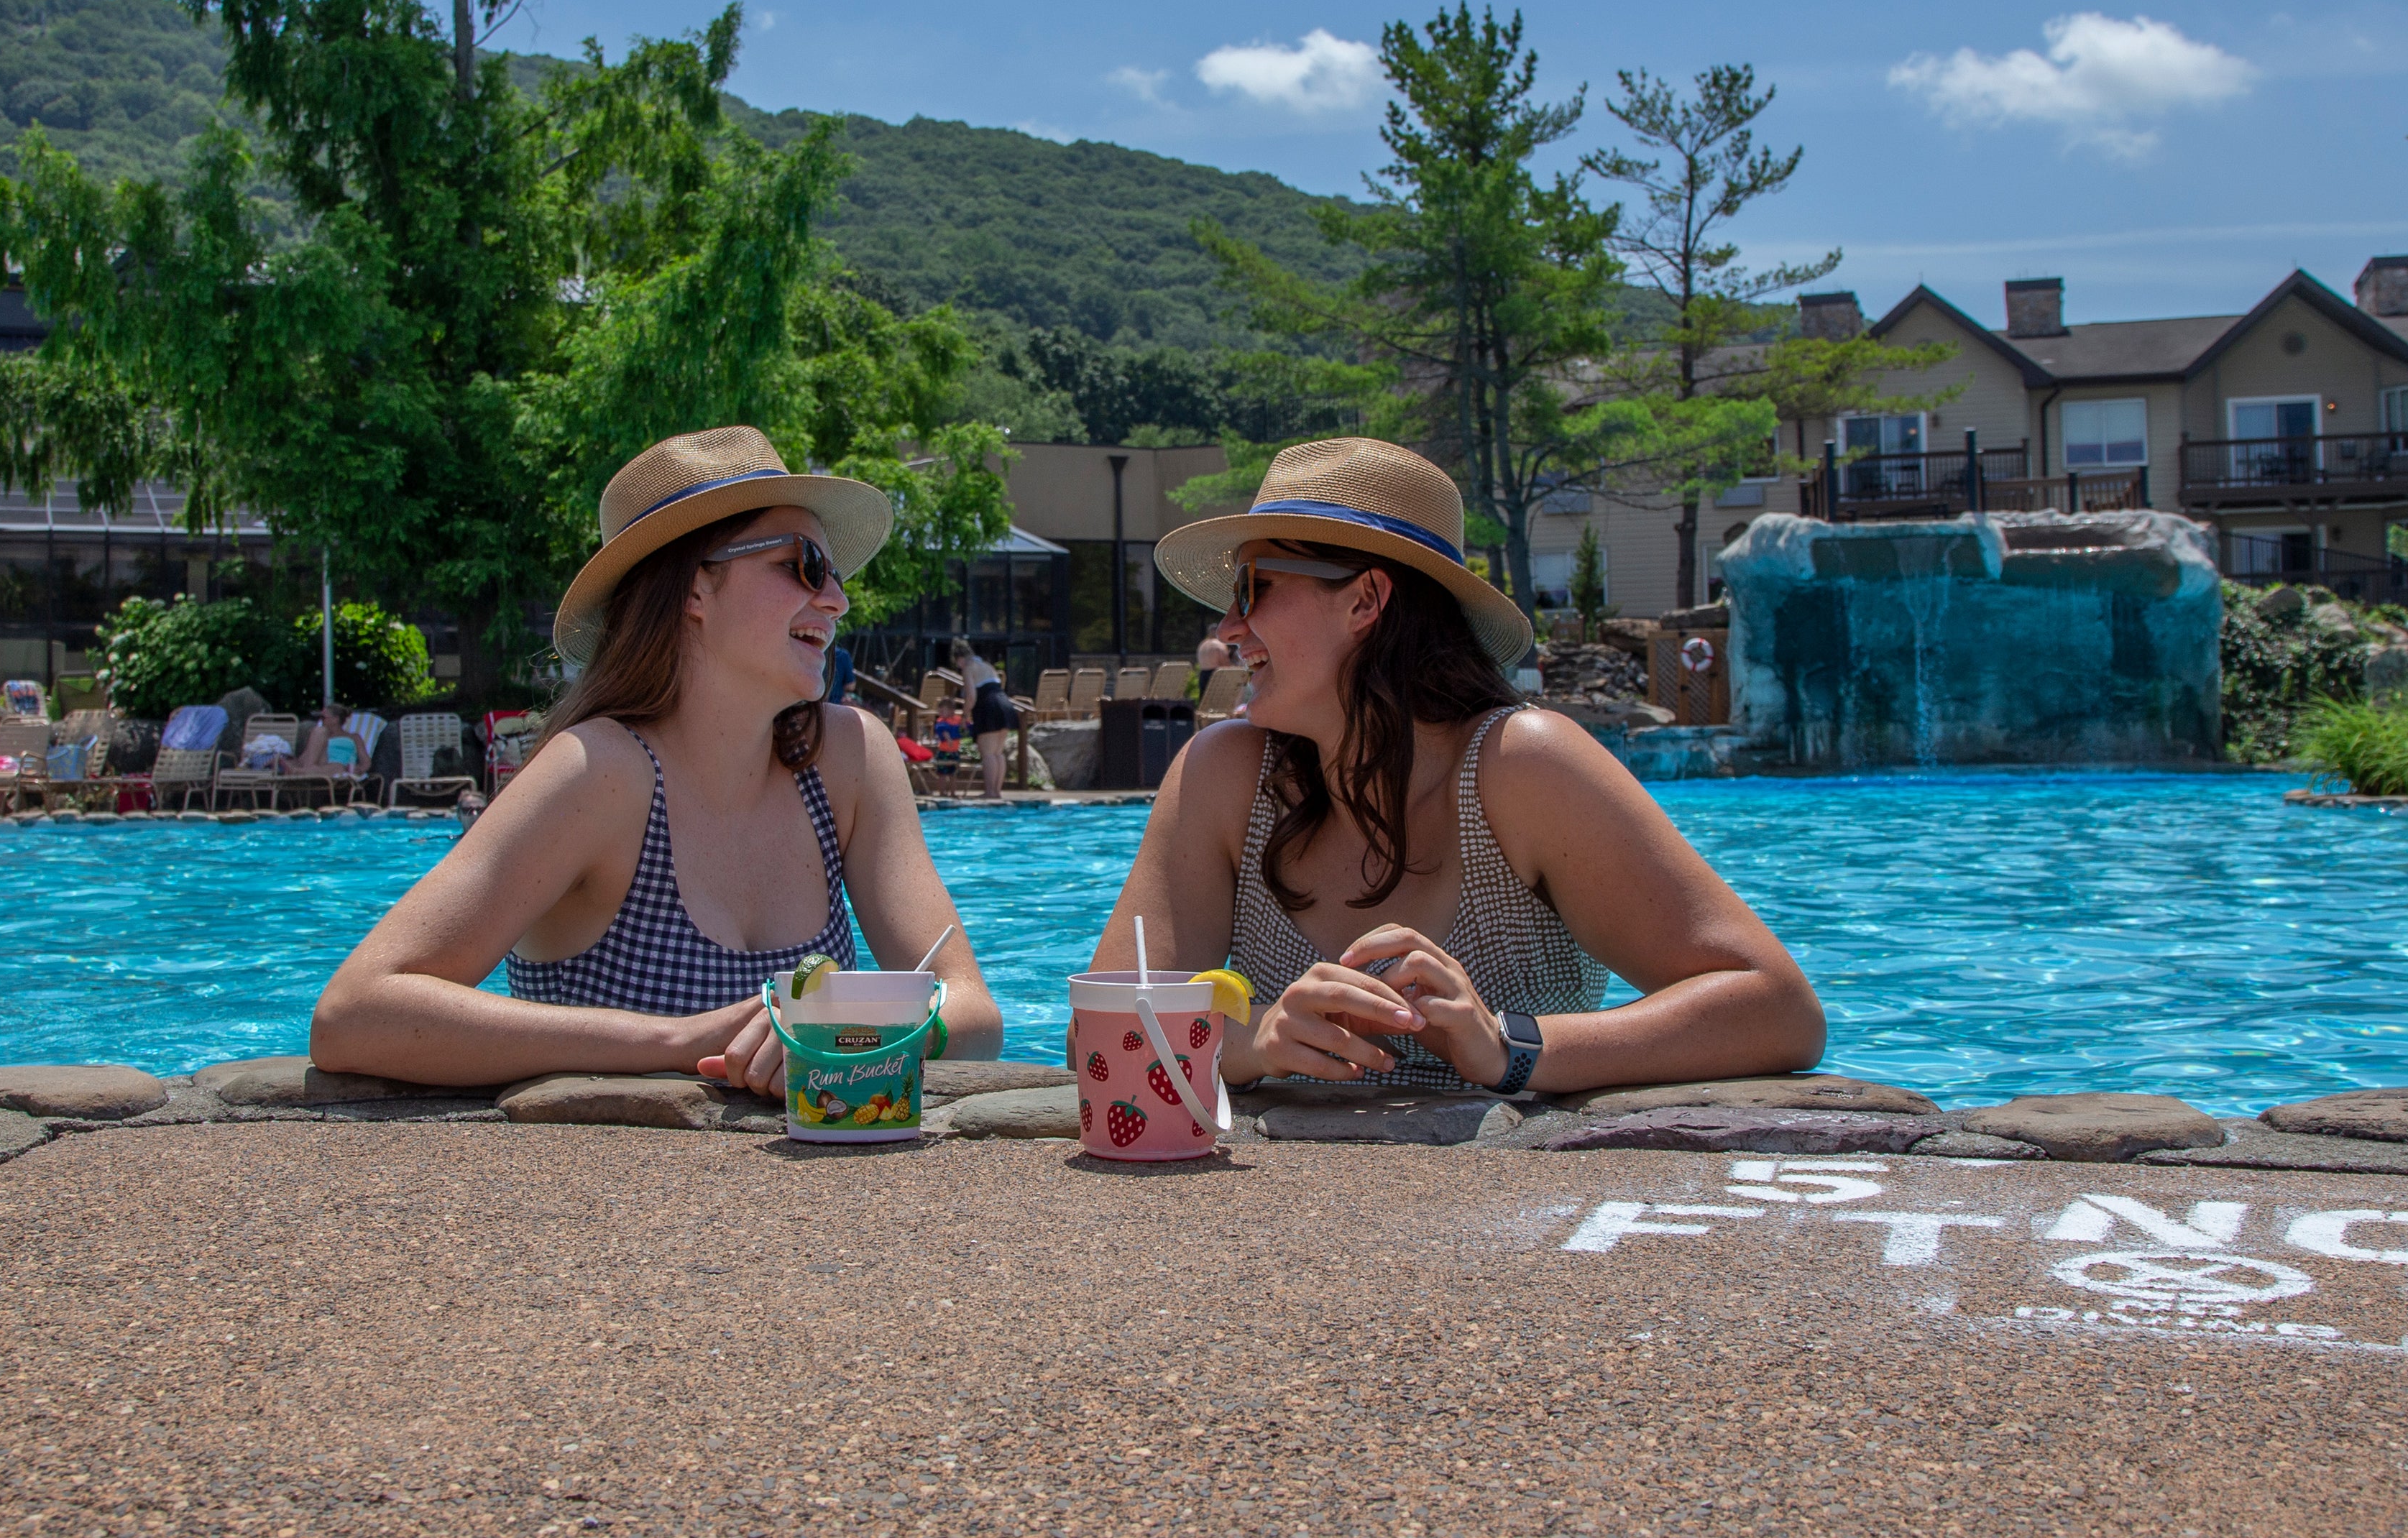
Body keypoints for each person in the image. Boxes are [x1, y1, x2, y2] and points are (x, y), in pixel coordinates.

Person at [1087, 437, 1823, 1097]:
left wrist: (1509, 1046)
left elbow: (1777, 1009)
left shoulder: (1521, 768)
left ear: (1365, 600)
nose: (1226, 628)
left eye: (1253, 589)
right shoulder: (1225, 778)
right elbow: (1094, 1036)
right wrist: (1251, 1043)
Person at [313, 425, 1003, 1090]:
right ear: (694, 589)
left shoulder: (848, 759)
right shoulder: (598, 774)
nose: (837, 597)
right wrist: (676, 1043)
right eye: (805, 564)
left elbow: (974, 1014)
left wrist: (876, 1024)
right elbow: (354, 1013)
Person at [949, 638, 1016, 800]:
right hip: (1004, 704)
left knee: (988, 754)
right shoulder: (987, 666)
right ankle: (997, 792)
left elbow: (971, 696)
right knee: (998, 753)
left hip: (989, 707)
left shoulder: (968, 669)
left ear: (960, 659)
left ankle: (990, 792)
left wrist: (965, 716)